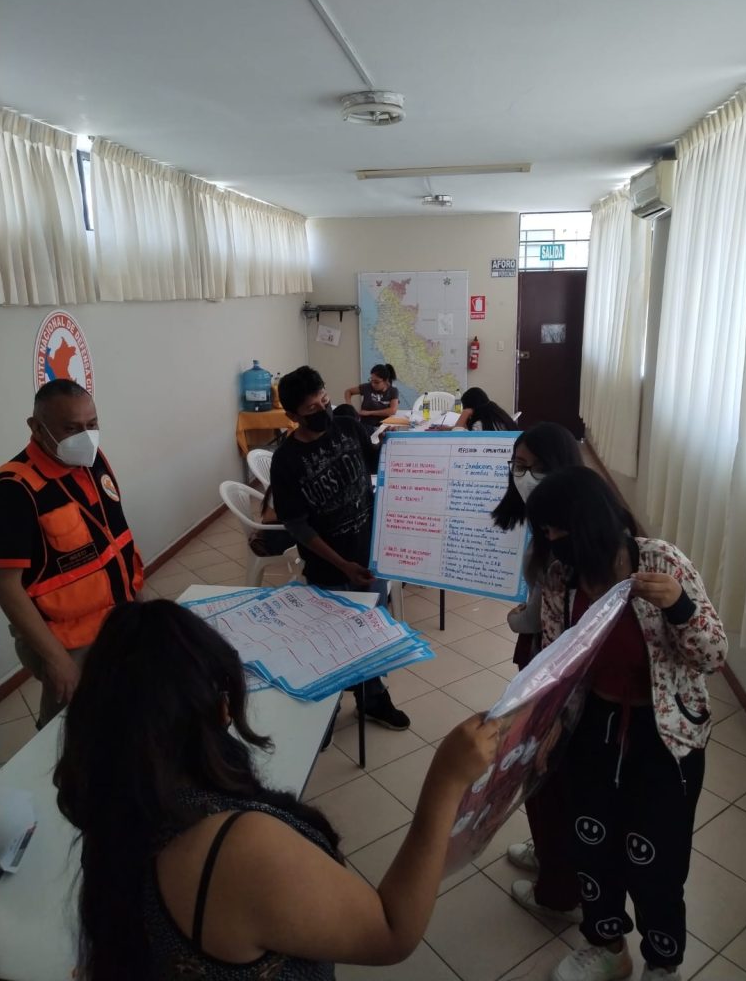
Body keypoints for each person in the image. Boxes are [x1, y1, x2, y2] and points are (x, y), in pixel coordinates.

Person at [54, 599, 500, 981]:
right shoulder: (237, 849)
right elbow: (391, 930)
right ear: (218, 707)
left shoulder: (116, 811)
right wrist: (447, 782)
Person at [525, 466, 727, 981]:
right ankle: (608, 946)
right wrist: (548, 726)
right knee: (591, 843)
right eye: (544, 531)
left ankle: (663, 961)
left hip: (665, 734)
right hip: (593, 725)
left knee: (658, 859)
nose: (551, 541)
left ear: (589, 522)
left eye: (557, 529)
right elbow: (556, 662)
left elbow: (712, 655)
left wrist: (679, 606)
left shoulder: (660, 561)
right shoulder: (562, 577)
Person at [271, 365, 409, 731]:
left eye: (325, 400)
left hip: (370, 555)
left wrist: (398, 448)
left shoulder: (348, 427)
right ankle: (326, 711)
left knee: (371, 631)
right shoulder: (286, 461)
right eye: (312, 409)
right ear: (293, 416)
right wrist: (343, 565)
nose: (323, 411)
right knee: (335, 641)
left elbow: (376, 463)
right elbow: (297, 524)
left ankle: (373, 698)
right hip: (329, 568)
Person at [0, 379, 143, 727]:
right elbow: (5, 586)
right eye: (72, 428)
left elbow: (115, 541)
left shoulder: (93, 461)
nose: (87, 436)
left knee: (124, 709)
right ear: (36, 427)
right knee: (70, 727)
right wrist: (57, 660)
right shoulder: (13, 490)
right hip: (66, 642)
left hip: (119, 618)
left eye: (92, 424)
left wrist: (141, 604)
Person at [490, 423, 585, 923]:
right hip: (545, 657)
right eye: (519, 466)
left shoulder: (569, 532)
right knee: (541, 772)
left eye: (538, 468)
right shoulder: (548, 517)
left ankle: (558, 889)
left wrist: (519, 619)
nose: (525, 477)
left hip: (560, 671)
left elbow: (555, 615)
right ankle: (551, 855)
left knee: (549, 768)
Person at [344, 363, 399, 435]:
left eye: (376, 382)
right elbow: (348, 392)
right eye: (371, 380)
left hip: (384, 426)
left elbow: (392, 410)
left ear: (385, 381)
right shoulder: (367, 387)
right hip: (366, 425)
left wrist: (369, 412)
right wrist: (350, 406)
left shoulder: (393, 391)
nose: (373, 384)